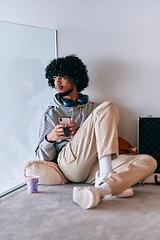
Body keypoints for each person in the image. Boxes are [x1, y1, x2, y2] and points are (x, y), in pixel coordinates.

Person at [35, 54, 157, 209]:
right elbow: (40, 157)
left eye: (62, 77)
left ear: (74, 78)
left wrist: (84, 133)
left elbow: (106, 139)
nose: (56, 82)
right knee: (108, 106)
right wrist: (49, 138)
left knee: (149, 161)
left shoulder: (94, 109)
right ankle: (107, 174)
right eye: (54, 78)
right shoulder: (51, 114)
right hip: (70, 164)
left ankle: (103, 189)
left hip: (95, 165)